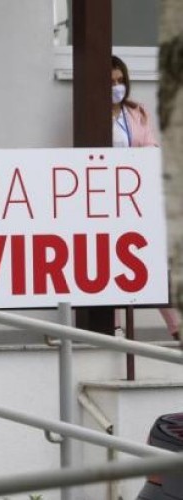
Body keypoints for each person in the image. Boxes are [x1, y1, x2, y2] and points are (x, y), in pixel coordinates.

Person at [111, 55, 181, 341]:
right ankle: (114, 326)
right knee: (113, 261)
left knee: (149, 259)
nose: (116, 87)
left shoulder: (136, 112)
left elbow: (151, 145)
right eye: (110, 82)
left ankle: (175, 326)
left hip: (136, 197)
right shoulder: (93, 113)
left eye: (120, 81)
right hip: (108, 199)